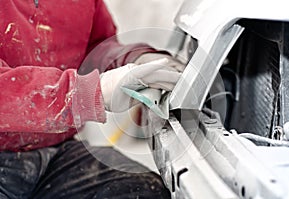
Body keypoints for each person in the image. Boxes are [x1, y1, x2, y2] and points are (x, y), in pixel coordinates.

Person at [0, 0, 184, 198]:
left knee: (141, 191)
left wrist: (134, 59)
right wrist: (85, 93)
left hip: (56, 152)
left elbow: (96, 45)